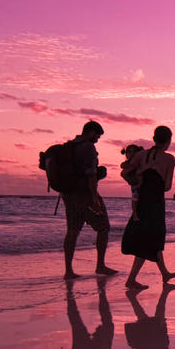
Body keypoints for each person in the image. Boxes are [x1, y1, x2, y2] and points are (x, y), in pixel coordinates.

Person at [121, 125, 175, 289]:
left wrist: (140, 179)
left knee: (151, 239)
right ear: (168, 141)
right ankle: (131, 279)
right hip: (155, 204)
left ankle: (165, 274)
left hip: (141, 202)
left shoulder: (141, 155)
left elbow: (125, 173)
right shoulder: (169, 159)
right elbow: (167, 186)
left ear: (154, 139)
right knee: (150, 240)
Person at [62, 120, 117, 279]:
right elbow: (91, 174)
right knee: (103, 227)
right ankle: (100, 265)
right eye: (97, 136)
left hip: (68, 195)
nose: (97, 139)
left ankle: (68, 270)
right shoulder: (88, 147)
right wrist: (94, 199)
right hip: (85, 194)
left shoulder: (69, 146)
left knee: (72, 231)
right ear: (91, 132)